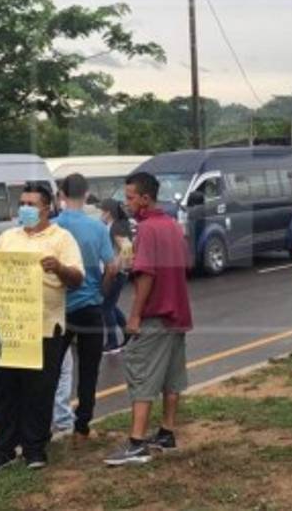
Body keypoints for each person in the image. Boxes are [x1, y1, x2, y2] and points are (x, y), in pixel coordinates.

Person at [0, 183, 84, 476]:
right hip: (7, 328)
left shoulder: (61, 238)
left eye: (31, 203)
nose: (24, 208)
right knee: (3, 389)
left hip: (45, 328)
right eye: (22, 202)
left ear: (47, 208)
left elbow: (76, 278)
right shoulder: (8, 237)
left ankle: (35, 447)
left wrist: (58, 268)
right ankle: (3, 450)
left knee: (39, 389)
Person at [104, 172, 193, 467]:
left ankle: (137, 442)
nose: (127, 204)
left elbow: (146, 276)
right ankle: (166, 432)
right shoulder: (171, 226)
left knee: (141, 375)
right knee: (171, 376)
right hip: (177, 313)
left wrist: (134, 315)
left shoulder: (147, 229)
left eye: (130, 198)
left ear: (145, 198)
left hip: (155, 315)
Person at [52, 174, 116, 441]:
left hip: (58, 308)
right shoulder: (98, 228)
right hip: (90, 306)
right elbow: (112, 267)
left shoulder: (54, 227)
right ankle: (82, 426)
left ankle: (47, 423)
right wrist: (101, 292)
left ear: (61, 195)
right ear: (87, 193)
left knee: (52, 368)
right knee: (89, 370)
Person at [100, 199, 134, 354]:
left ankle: (112, 343)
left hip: (116, 272)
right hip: (119, 272)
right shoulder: (118, 225)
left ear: (108, 212)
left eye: (103, 211)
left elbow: (126, 247)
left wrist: (116, 265)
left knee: (106, 307)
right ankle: (128, 333)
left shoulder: (116, 227)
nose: (101, 214)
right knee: (111, 305)